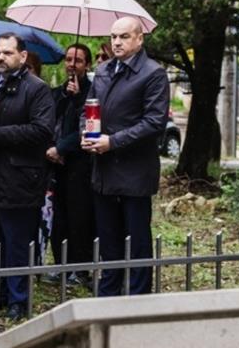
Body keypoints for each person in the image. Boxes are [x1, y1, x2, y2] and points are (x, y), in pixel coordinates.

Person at [80, 16, 170, 296]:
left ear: (139, 39)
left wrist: (113, 142)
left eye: (124, 37)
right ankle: (108, 295)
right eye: (113, 37)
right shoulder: (105, 70)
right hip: (103, 171)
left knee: (137, 240)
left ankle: (138, 298)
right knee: (108, 241)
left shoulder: (153, 74)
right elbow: (88, 109)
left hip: (134, 173)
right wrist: (86, 132)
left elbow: (154, 122)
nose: (117, 42)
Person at [0, 34, 55, 320]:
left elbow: (42, 131)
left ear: (23, 56)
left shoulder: (37, 89)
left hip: (20, 177)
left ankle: (18, 299)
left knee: (17, 242)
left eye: (7, 53)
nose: (0, 58)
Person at [46, 43, 96, 282]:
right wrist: (66, 96)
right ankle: (61, 264)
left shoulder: (92, 92)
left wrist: (77, 100)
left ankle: (81, 268)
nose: (71, 65)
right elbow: (50, 120)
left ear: (87, 65)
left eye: (77, 60)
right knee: (60, 216)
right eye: (68, 59)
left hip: (80, 163)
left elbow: (86, 128)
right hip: (57, 165)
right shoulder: (58, 92)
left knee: (80, 216)